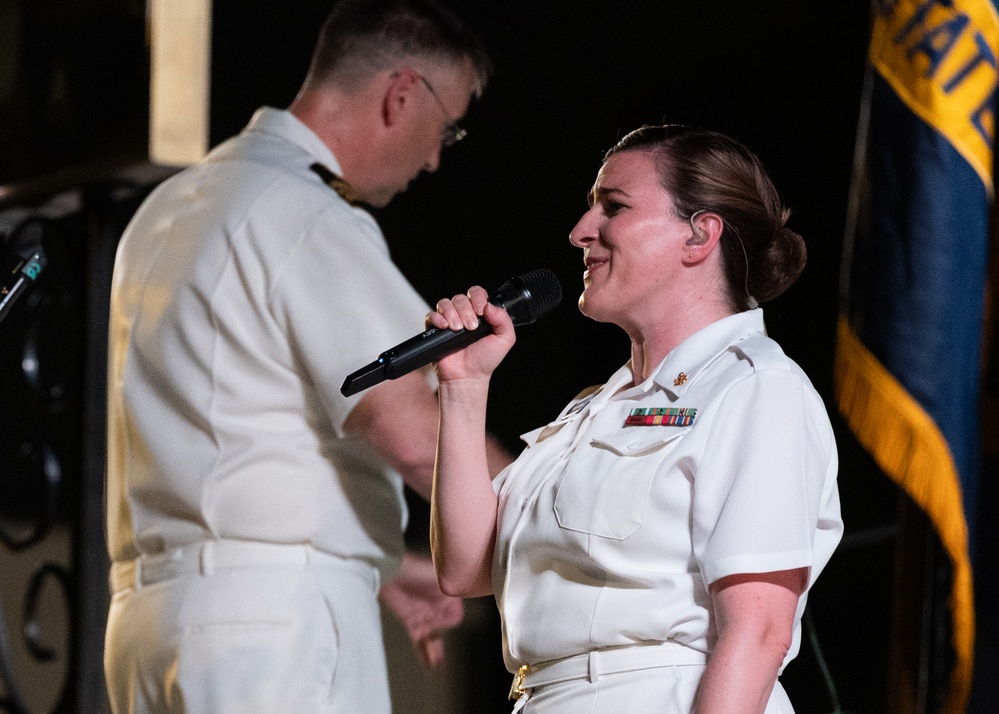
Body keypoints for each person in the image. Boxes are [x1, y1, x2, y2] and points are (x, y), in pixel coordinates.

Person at [103, 1, 510, 712]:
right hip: (268, 630)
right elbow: (418, 437)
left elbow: (230, 427)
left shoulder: (170, 206)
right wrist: (566, 511)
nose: (437, 157)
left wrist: (383, 567)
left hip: (149, 624)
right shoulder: (305, 212)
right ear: (401, 94)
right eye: (447, 128)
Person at [428, 125, 844, 713]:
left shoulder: (756, 388)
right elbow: (466, 567)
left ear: (699, 236)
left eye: (613, 207)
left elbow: (758, 633)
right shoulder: (595, 407)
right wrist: (464, 389)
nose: (580, 232)